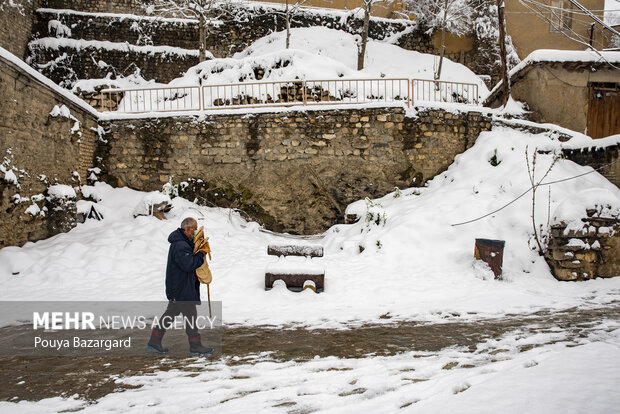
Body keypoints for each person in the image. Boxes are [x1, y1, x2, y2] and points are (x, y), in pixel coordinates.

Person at [147, 217, 214, 355]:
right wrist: (201, 254)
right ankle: (195, 346)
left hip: (179, 287)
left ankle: (154, 340)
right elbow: (188, 264)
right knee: (191, 316)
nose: (196, 232)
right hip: (181, 288)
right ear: (187, 229)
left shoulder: (183, 243)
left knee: (171, 313)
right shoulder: (180, 245)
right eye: (194, 229)